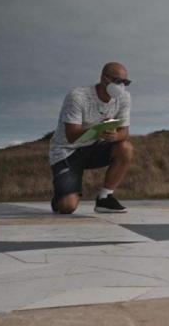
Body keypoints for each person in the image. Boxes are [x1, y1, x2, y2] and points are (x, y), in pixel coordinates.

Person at [49, 62, 134, 214]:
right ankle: (61, 196)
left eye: (125, 82)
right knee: (67, 207)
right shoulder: (78, 96)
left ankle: (105, 198)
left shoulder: (124, 98)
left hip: (94, 147)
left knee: (125, 148)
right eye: (117, 81)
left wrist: (115, 136)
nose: (121, 86)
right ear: (104, 78)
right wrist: (96, 130)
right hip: (67, 151)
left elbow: (125, 132)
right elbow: (71, 136)